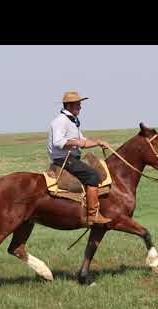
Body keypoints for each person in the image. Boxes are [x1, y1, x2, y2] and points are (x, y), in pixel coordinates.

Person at [47, 91, 112, 226]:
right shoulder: (60, 121)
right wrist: (76, 142)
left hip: (73, 157)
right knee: (92, 176)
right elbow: (58, 142)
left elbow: (83, 140)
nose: (80, 107)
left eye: (80, 104)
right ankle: (93, 215)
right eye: (78, 104)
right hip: (63, 158)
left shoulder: (73, 121)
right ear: (69, 105)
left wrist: (98, 142)